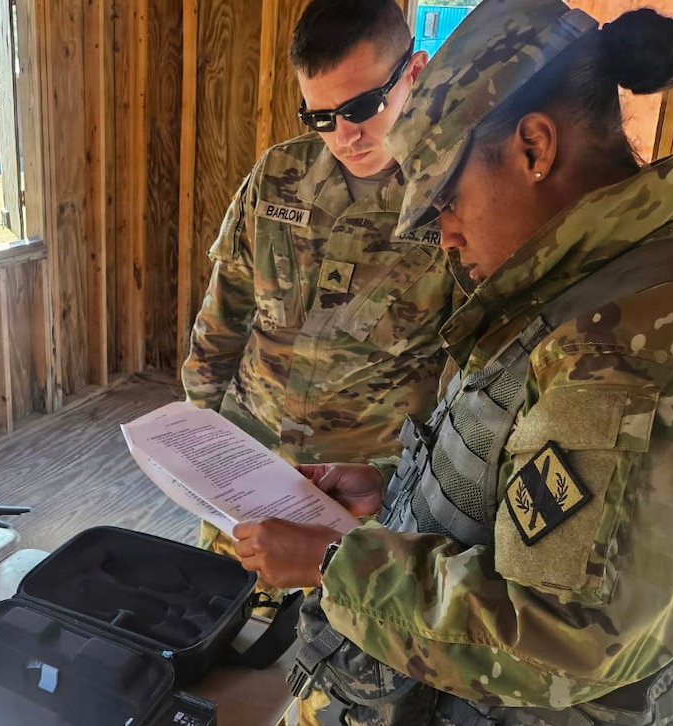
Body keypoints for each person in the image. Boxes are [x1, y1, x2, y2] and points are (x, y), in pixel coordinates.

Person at [232, 1, 673, 724]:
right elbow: (527, 493)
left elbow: (554, 640)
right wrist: (391, 491)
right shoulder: (593, 293)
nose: (446, 238)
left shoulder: (635, 354)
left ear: (535, 148)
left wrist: (333, 563)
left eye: (449, 200)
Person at [182, 0, 458, 577]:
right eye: (320, 116)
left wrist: (410, 482)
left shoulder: (454, 198)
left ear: (414, 71)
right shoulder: (280, 173)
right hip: (250, 464)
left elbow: (472, 374)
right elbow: (225, 310)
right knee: (226, 628)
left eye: (362, 107)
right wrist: (198, 434)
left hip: (364, 495)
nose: (345, 135)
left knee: (336, 652)